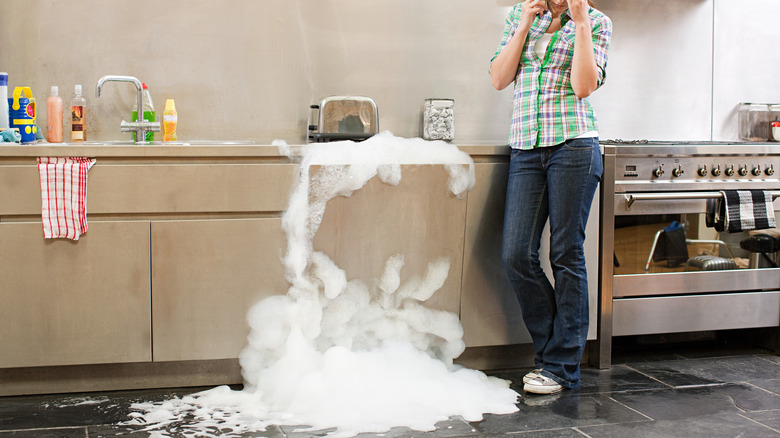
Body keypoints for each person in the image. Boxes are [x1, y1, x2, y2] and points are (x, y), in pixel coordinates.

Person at [489, 0, 612, 395]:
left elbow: (583, 86)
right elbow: (498, 77)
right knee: (516, 254)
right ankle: (550, 354)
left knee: (565, 253)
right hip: (526, 146)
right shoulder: (519, 15)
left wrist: (578, 25)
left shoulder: (595, 22)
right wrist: (525, 23)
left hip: (574, 145)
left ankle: (560, 367)